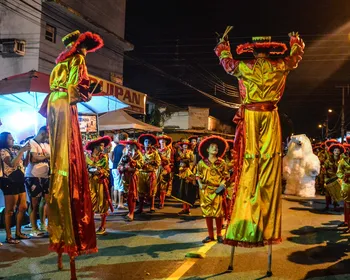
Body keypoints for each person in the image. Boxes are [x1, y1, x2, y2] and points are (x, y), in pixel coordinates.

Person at [214, 30, 304, 251]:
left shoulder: (245, 67)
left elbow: (227, 64)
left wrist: (223, 47)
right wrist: (295, 44)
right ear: (271, 50)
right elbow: (294, 59)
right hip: (270, 116)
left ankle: (246, 219)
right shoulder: (280, 65)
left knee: (249, 163)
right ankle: (265, 224)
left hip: (253, 117)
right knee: (269, 165)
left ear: (252, 51)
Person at [38, 30, 103, 275]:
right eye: (85, 47)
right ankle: (72, 242)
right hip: (65, 102)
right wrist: (88, 91)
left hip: (54, 103)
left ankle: (59, 248)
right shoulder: (77, 60)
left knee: (60, 157)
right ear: (79, 47)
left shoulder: (58, 65)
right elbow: (79, 87)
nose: (86, 51)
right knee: (69, 156)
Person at [0, 132, 31, 244]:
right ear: (4, 140)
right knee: (10, 210)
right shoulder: (3, 151)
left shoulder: (15, 150)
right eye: (10, 138)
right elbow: (12, 164)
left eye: (13, 138)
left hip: (19, 180)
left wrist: (27, 152)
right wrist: (21, 151)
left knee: (23, 207)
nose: (12, 140)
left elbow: (25, 164)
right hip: (9, 181)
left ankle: (18, 232)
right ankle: (9, 236)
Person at [196, 135, 228, 243]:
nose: (215, 149)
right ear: (207, 149)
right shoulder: (201, 163)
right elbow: (198, 175)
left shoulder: (222, 163)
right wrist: (200, 184)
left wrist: (222, 184)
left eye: (217, 147)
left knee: (219, 213)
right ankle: (210, 235)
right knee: (208, 213)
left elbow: (225, 176)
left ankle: (219, 234)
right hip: (205, 190)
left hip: (217, 190)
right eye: (212, 147)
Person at [24, 126, 50, 237]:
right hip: (33, 177)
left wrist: (43, 156)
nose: (47, 139)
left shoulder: (45, 145)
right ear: (43, 133)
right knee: (34, 203)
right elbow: (34, 159)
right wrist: (46, 156)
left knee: (47, 201)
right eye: (47, 136)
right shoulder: (31, 143)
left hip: (45, 176)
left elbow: (51, 156)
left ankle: (43, 224)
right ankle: (34, 228)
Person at [85, 136, 114, 235]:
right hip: (90, 183)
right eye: (101, 145)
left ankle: (103, 226)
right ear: (95, 147)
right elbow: (83, 170)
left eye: (103, 145)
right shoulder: (86, 157)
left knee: (103, 203)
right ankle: (90, 226)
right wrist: (90, 172)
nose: (103, 147)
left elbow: (107, 171)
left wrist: (102, 172)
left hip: (101, 183)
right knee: (90, 203)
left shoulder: (104, 157)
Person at [117, 139, 144, 221]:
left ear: (134, 146)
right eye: (127, 145)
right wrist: (122, 168)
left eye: (130, 145)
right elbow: (120, 164)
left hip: (134, 176)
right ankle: (130, 210)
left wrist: (133, 162)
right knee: (127, 194)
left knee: (132, 195)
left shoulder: (138, 154)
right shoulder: (125, 154)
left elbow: (141, 165)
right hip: (125, 177)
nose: (128, 146)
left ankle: (131, 213)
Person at [137, 134, 161, 214]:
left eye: (149, 142)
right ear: (143, 143)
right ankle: (140, 208)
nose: (147, 143)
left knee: (152, 190)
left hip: (150, 173)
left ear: (151, 143)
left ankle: (152, 206)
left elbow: (158, 162)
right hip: (141, 173)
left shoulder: (154, 152)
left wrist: (152, 163)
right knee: (141, 191)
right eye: (145, 141)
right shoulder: (139, 152)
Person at [322, 143, 344, 212]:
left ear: (340, 152)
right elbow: (324, 169)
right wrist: (325, 178)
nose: (336, 152)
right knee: (327, 193)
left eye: (338, 150)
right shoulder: (328, 161)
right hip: (329, 179)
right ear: (332, 151)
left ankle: (335, 206)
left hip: (338, 179)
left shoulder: (342, 161)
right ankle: (327, 205)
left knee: (336, 193)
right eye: (335, 150)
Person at [111, 132, 128, 210]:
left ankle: (115, 202)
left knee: (116, 186)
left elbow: (112, 157)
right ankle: (120, 204)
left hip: (114, 167)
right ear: (125, 139)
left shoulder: (116, 147)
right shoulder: (124, 148)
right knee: (121, 186)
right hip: (120, 168)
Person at [336, 144, 350, 232]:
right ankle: (347, 223)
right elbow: (339, 172)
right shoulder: (342, 161)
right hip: (346, 185)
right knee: (347, 206)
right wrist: (343, 177)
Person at [156, 135, 173, 209]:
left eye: (163, 142)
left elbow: (168, 160)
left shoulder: (168, 150)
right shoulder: (157, 150)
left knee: (163, 185)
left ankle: (161, 201)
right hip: (157, 169)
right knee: (156, 184)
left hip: (164, 169)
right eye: (161, 142)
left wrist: (161, 157)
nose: (162, 143)